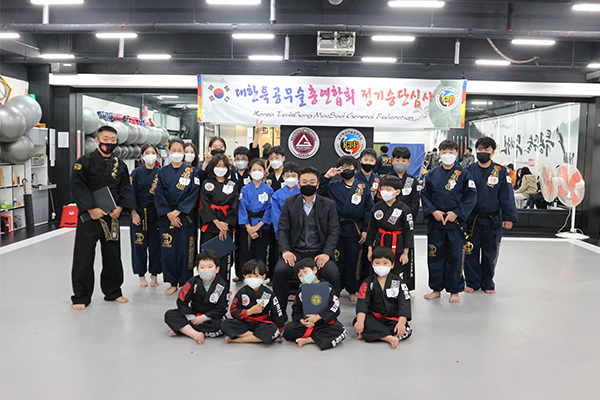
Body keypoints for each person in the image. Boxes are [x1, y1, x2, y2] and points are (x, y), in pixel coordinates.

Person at [70, 125, 133, 310]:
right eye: (105, 139)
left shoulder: (120, 165)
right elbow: (77, 186)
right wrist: (90, 208)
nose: (109, 143)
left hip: (112, 217)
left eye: (113, 140)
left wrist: (120, 207)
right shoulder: (84, 162)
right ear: (97, 140)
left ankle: (113, 291)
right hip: (89, 217)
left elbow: (125, 188)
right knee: (83, 257)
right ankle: (81, 296)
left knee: (113, 256)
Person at [273, 166, 341, 320]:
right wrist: (285, 251)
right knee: (280, 271)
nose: (308, 184)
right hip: (295, 252)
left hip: (318, 253)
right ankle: (280, 315)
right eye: (304, 182)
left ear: (318, 185)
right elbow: (282, 229)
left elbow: (334, 231)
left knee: (333, 273)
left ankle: (330, 315)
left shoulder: (328, 204)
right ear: (299, 184)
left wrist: (326, 254)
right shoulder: (289, 202)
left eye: (312, 182)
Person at [421, 139, 477, 303]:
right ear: (439, 154)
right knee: (435, 256)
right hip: (436, 222)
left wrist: (457, 213)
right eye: (444, 152)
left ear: (456, 154)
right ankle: (436, 289)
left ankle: (454, 290)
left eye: (451, 152)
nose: (447, 155)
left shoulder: (464, 174)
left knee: (455, 257)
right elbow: (425, 195)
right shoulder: (431, 174)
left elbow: (471, 196)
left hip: (456, 224)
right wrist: (433, 211)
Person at [464, 137, 518, 294]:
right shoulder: (467, 170)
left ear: (493, 152)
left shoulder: (501, 171)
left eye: (487, 150)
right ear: (476, 151)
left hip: (492, 220)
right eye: (480, 149)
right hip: (472, 219)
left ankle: (487, 282)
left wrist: (508, 217)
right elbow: (462, 195)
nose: (483, 152)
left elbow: (507, 195)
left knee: (490, 253)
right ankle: (472, 282)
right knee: (470, 252)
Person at [319, 155, 373, 302]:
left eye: (350, 167)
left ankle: (352, 289)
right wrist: (327, 177)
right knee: (337, 261)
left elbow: (368, 209)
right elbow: (318, 192)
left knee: (354, 261)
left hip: (355, 229)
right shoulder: (333, 186)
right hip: (336, 228)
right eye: (343, 168)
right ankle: (335, 288)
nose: (347, 170)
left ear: (355, 170)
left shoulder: (363, 187)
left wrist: (365, 230)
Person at [154, 138, 200, 296]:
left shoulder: (191, 171)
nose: (177, 153)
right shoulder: (161, 172)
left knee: (185, 251)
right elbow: (158, 194)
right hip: (167, 216)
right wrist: (169, 213)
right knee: (168, 251)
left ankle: (186, 282)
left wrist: (179, 211)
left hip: (185, 217)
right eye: (173, 150)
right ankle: (172, 282)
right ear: (169, 151)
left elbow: (194, 193)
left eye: (180, 150)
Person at [164, 250, 228, 344]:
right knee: (170, 314)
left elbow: (221, 308)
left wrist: (203, 318)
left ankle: (184, 329)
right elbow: (181, 301)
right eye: (202, 267)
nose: (206, 270)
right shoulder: (192, 282)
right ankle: (195, 333)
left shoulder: (222, 285)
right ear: (197, 270)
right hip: (194, 314)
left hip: (210, 317)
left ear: (217, 269)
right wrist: (191, 317)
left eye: (210, 267)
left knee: (222, 325)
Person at [353, 247, 412, 349]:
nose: (381, 266)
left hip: (392, 318)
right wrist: (360, 321)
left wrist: (401, 322)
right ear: (372, 264)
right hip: (375, 318)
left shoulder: (399, 282)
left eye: (385, 263)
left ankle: (372, 334)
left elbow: (404, 303)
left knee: (406, 329)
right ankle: (389, 338)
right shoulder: (368, 283)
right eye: (377, 263)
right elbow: (362, 302)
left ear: (392, 265)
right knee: (358, 321)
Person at [283, 258, 347, 350]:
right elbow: (296, 309)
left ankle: (310, 339)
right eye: (300, 275)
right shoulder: (301, 291)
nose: (303, 276)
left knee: (341, 331)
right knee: (288, 329)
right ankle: (319, 337)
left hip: (325, 323)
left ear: (314, 270)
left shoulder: (327, 287)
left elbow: (335, 306)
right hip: (308, 323)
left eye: (305, 272)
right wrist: (303, 321)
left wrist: (318, 317)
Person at [366, 175, 415, 287]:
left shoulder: (404, 208)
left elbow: (409, 232)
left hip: (397, 244)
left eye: (388, 189)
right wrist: (370, 250)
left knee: (397, 271)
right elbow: (371, 230)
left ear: (397, 192)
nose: (384, 192)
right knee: (379, 269)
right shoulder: (377, 208)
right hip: (380, 242)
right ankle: (378, 291)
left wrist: (405, 253)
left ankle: (396, 292)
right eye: (382, 189)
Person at [221, 259, 285, 344]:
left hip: (262, 323)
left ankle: (239, 339)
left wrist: (279, 326)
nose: (253, 279)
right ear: (244, 276)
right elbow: (234, 311)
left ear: (263, 277)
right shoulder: (241, 292)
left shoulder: (268, 293)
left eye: (256, 276)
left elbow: (277, 311)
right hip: (245, 323)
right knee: (225, 324)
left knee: (272, 329)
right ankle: (256, 336)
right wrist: (249, 312)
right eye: (249, 276)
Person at [199, 153, 239, 282]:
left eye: (223, 166)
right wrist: (216, 222)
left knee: (225, 257)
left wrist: (225, 225)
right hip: (210, 224)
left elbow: (235, 206)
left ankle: (224, 287)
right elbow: (204, 204)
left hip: (226, 225)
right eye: (217, 166)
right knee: (208, 257)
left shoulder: (233, 184)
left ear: (228, 168)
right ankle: (206, 284)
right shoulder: (206, 184)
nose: (220, 169)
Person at [388, 146, 420, 289]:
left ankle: (406, 287)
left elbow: (415, 203)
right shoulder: (386, 179)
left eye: (403, 160)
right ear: (392, 161)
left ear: (408, 162)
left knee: (406, 256)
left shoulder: (412, 181)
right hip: (388, 225)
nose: (400, 163)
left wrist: (405, 219)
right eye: (397, 160)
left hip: (406, 224)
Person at [130, 143, 161, 288]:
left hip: (156, 213)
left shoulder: (160, 173)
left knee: (155, 247)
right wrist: (134, 213)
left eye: (153, 153)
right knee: (139, 245)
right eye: (147, 153)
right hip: (140, 212)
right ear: (142, 156)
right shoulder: (136, 173)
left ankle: (154, 276)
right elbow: (131, 194)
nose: (150, 155)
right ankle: (141, 276)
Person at [238, 159, 273, 269]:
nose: (257, 172)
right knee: (246, 253)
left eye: (260, 169)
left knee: (261, 253)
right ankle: (246, 275)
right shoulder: (244, 189)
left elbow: (269, 209)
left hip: (262, 226)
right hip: (247, 226)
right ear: (249, 172)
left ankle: (261, 275)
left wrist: (258, 227)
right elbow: (242, 208)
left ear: (264, 172)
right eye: (254, 170)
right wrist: (249, 227)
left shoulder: (269, 189)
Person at [265, 145, 286, 285]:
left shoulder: (288, 176)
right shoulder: (268, 178)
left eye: (277, 157)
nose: (274, 161)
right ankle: (272, 277)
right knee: (272, 248)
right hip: (271, 220)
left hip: (286, 218)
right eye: (271, 158)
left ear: (283, 158)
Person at [231, 145, 251, 282]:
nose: (240, 161)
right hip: (232, 214)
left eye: (243, 158)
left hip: (247, 216)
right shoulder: (231, 174)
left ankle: (248, 273)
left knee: (246, 246)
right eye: (237, 158)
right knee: (236, 245)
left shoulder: (251, 175)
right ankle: (238, 273)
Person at [270, 162, 300, 240]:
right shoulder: (277, 195)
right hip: (283, 231)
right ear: (283, 177)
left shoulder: (304, 194)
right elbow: (276, 216)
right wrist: (280, 233)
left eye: (293, 176)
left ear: (298, 177)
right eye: (287, 176)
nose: (290, 178)